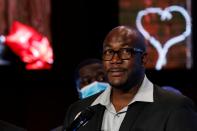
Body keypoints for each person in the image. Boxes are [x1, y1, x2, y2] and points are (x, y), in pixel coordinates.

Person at [63, 26, 197, 131]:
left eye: (126, 51)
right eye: (109, 52)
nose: (115, 60)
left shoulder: (175, 107)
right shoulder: (78, 111)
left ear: (143, 59)